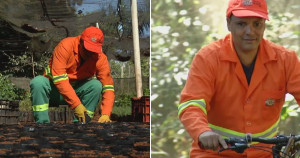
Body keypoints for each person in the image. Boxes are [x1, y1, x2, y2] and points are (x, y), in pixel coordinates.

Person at [178, 0, 300, 157]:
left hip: (264, 154)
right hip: (215, 153)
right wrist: (202, 132)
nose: (250, 31)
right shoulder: (207, 58)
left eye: (257, 24)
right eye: (242, 24)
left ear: (264, 25)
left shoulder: (285, 60)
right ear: (229, 24)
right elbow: (191, 103)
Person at [30, 26, 115, 123]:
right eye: (88, 49)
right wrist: (76, 105)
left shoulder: (100, 58)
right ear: (80, 42)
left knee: (96, 86)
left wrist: (106, 114)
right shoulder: (65, 46)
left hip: (76, 92)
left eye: (93, 50)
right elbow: (60, 80)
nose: (90, 53)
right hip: (54, 92)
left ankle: (81, 125)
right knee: (38, 82)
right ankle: (42, 125)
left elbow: (108, 87)